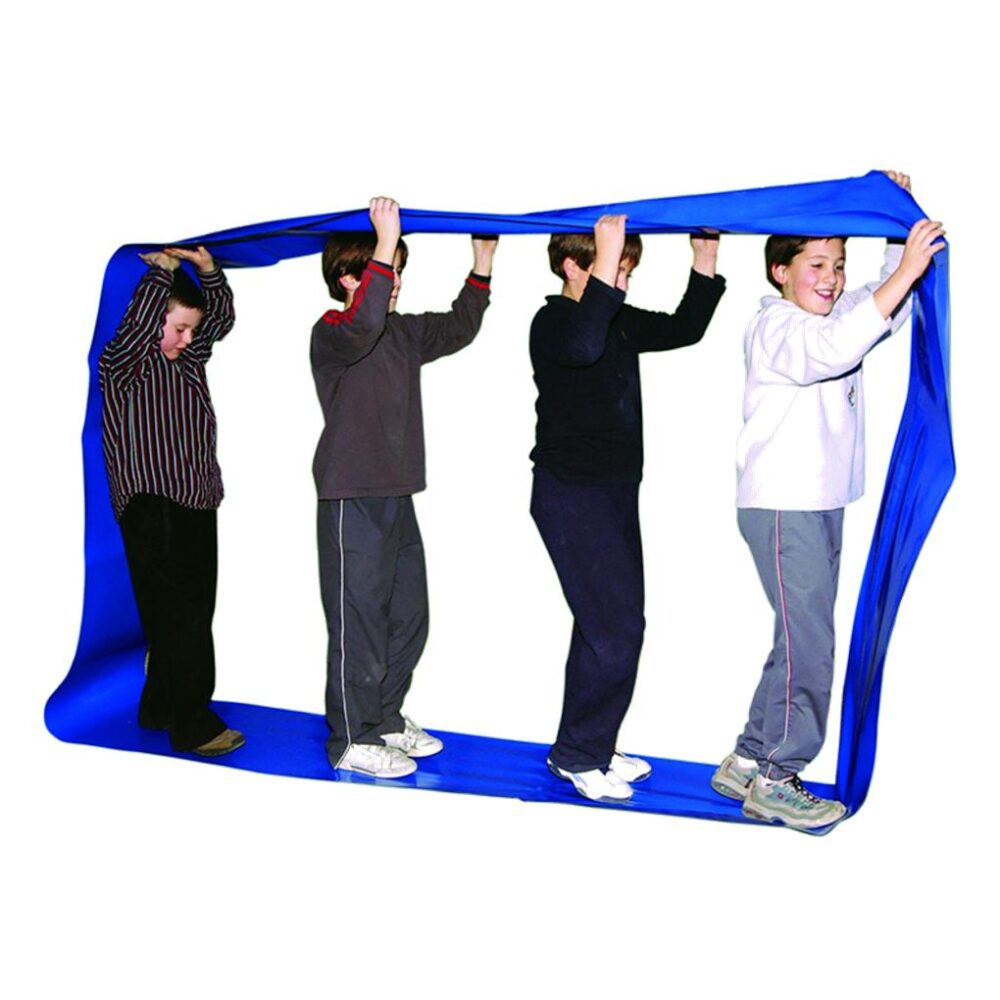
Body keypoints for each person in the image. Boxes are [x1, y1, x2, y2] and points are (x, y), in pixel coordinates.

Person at [711, 172, 945, 829]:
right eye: (816, 265)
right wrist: (909, 266)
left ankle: (748, 760)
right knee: (810, 645)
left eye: (838, 264)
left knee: (797, 638)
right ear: (780, 271)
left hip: (817, 502)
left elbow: (881, 305)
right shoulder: (778, 327)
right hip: (784, 506)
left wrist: (897, 233)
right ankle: (777, 779)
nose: (833, 278)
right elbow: (837, 346)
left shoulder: (830, 317)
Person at [530, 215, 726, 802]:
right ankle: (580, 756)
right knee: (616, 631)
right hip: (569, 494)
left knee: (605, 628)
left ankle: (586, 743)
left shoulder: (613, 317)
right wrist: (607, 259)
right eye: (618, 269)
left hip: (614, 492)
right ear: (574, 267)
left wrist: (704, 259)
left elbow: (684, 328)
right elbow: (583, 344)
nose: (624, 282)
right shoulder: (553, 322)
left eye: (628, 271)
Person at [312, 197, 497, 778]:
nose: (396, 283)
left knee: (409, 617)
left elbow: (460, 326)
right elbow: (364, 322)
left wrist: (483, 261)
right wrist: (385, 242)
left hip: (397, 494)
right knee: (358, 621)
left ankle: (385, 717)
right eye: (387, 272)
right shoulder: (333, 331)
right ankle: (351, 738)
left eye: (396, 271)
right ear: (350, 278)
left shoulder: (403, 332)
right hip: (351, 496)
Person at [99, 245, 244, 757]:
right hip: (152, 502)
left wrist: (207, 270)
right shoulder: (124, 364)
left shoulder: (188, 360)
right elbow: (140, 328)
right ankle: (193, 724)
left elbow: (220, 319)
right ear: (151, 320)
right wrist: (162, 272)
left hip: (196, 497)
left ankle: (159, 704)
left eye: (190, 331)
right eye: (178, 328)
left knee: (189, 612)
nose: (186, 338)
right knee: (181, 619)